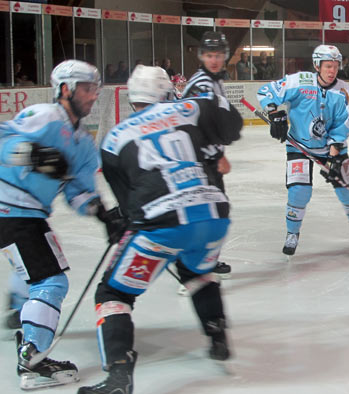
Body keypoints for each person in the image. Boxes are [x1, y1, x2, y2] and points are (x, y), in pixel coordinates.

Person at [77, 65, 242, 394]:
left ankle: (119, 376)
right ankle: (217, 337)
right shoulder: (190, 106)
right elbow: (232, 126)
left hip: (161, 226)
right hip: (211, 219)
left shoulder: (114, 139)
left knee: (113, 294)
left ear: (132, 99)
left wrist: (121, 226)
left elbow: (128, 207)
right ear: (169, 92)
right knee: (198, 272)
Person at [0, 60, 125, 390]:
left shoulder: (84, 143)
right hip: (9, 208)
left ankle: (20, 311)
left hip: (28, 214)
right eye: (86, 89)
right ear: (65, 89)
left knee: (42, 273)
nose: (92, 96)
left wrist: (103, 213)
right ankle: (33, 356)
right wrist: (32, 154)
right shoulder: (44, 116)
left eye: (95, 90)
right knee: (51, 282)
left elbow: (78, 192)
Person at [256, 44, 349, 255]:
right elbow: (267, 91)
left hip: (332, 148)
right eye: (327, 66)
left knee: (348, 189)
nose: (332, 70)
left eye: (335, 66)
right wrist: (274, 114)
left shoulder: (343, 91)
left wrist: (333, 158)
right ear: (317, 65)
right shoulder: (300, 81)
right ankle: (292, 233)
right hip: (300, 144)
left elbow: (343, 125)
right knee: (299, 191)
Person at [181, 31, 234, 281]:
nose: (214, 59)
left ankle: (203, 260)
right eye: (210, 55)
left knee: (215, 210)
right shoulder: (202, 84)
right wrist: (216, 156)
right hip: (198, 159)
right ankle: (194, 264)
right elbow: (198, 126)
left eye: (218, 55)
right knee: (211, 211)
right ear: (202, 56)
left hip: (203, 157)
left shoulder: (214, 80)